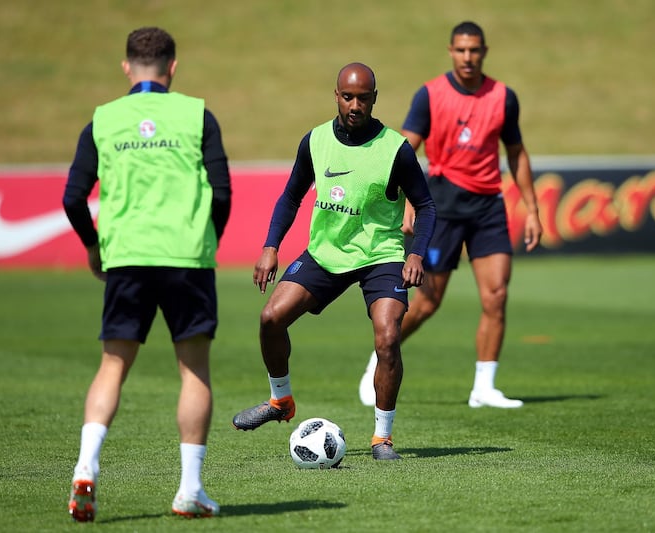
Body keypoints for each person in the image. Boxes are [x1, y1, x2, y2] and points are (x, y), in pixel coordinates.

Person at [62, 27, 231, 521]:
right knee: (193, 370)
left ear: (127, 68)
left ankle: (86, 466)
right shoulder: (198, 115)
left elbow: (73, 198)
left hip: (127, 258)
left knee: (113, 365)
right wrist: (206, 240)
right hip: (186, 258)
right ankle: (190, 490)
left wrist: (94, 247)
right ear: (172, 68)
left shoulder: (104, 120)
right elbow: (221, 192)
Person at [231, 62, 436, 461]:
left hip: (381, 255)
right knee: (271, 318)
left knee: (389, 336)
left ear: (374, 99)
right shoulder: (315, 140)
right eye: (347, 96)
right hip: (326, 253)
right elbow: (291, 196)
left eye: (363, 97)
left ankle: (382, 439)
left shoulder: (396, 148)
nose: (355, 104)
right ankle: (280, 402)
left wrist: (415, 253)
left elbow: (426, 206)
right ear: (336, 95)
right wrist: (271, 245)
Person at [358, 21, 542, 409]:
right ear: (451, 51)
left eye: (475, 50)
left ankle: (484, 387)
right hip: (442, 205)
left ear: (484, 52)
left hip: (488, 206)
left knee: (497, 295)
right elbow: (404, 151)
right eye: (461, 50)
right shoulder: (430, 95)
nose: (468, 57)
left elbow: (516, 152)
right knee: (426, 302)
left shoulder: (503, 97)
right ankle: (381, 355)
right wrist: (406, 201)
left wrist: (532, 209)